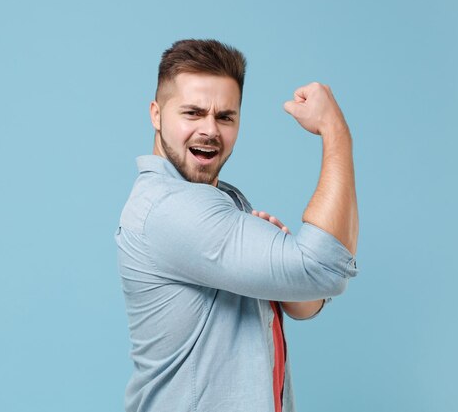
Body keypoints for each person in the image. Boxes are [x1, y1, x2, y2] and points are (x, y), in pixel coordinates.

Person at [115, 39, 359, 412]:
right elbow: (325, 268)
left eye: (225, 116)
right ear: (156, 114)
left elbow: (305, 301)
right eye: (193, 113)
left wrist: (288, 272)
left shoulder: (223, 200)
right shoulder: (171, 208)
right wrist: (336, 132)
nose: (210, 130)